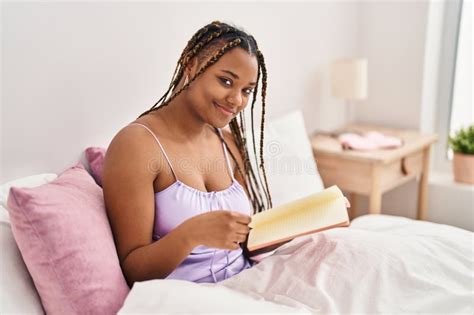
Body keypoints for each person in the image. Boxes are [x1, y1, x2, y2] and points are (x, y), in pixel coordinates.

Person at [102, 21, 273, 287]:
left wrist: (291, 229)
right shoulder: (137, 145)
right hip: (186, 299)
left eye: (246, 90)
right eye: (226, 81)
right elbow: (133, 269)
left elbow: (244, 241)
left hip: (246, 285)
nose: (237, 100)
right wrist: (190, 235)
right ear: (191, 66)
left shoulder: (228, 143)